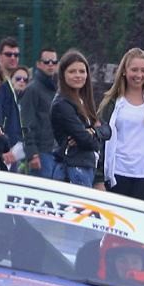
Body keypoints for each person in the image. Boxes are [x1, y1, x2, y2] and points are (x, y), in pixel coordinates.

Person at [99, 47, 144, 201]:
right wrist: (99, 178)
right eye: (134, 70)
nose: (139, 75)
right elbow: (101, 140)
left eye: (143, 70)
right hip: (118, 174)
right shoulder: (111, 103)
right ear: (124, 71)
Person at [50, 49, 109, 188]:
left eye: (82, 71)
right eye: (72, 71)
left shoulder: (84, 100)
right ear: (63, 74)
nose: (78, 75)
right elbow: (87, 141)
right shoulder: (62, 104)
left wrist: (94, 132)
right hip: (73, 168)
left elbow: (107, 129)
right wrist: (94, 134)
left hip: (87, 167)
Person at [20, 47, 59, 178]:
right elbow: (26, 123)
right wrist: (32, 153)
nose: (50, 65)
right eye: (46, 61)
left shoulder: (56, 89)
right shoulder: (32, 89)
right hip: (41, 152)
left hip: (54, 151)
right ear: (38, 64)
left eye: (54, 62)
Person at [0, 36, 24, 167]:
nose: (13, 58)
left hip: (13, 149)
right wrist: (2, 147)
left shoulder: (8, 83)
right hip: (3, 150)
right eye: (8, 54)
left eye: (16, 55)